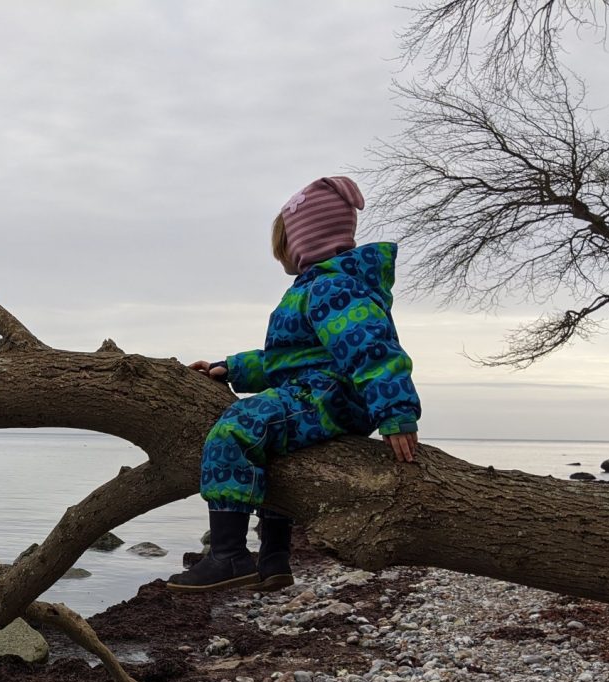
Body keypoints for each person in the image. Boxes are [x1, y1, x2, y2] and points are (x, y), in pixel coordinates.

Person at [167, 175, 421, 592]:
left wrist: (396, 412)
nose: (278, 256)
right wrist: (230, 368)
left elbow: (373, 349)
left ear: (302, 243)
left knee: (235, 429)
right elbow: (287, 360)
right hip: (318, 389)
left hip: (329, 395)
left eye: (280, 245)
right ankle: (274, 559)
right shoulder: (318, 289)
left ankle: (229, 555)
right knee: (269, 451)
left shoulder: (332, 287)